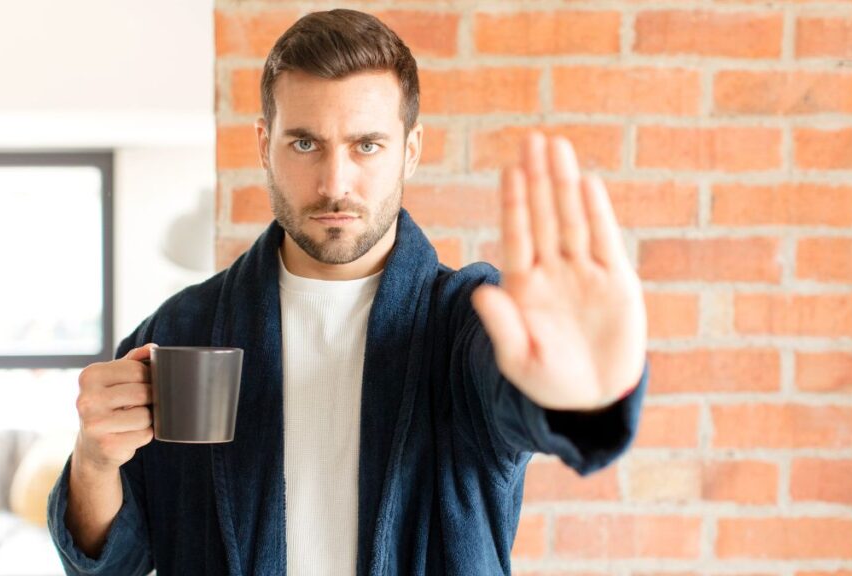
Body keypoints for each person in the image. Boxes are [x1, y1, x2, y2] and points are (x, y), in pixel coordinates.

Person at [48, 8, 649, 576]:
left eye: (367, 145)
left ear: (410, 151)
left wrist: (576, 398)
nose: (335, 183)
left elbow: (516, 397)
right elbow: (110, 562)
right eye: (305, 144)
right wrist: (95, 461)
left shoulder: (466, 322)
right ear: (265, 145)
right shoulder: (181, 330)